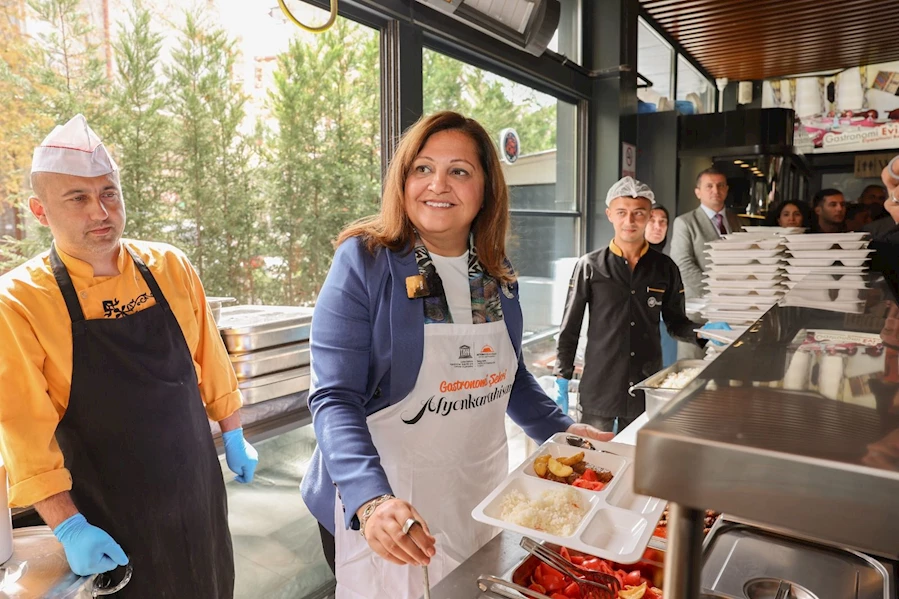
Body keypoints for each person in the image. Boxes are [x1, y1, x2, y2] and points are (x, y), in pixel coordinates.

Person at [299, 111, 612, 599]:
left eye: (459, 170)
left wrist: (564, 431)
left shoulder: (494, 270)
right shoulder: (366, 261)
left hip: (474, 487)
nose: (437, 184)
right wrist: (371, 500)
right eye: (422, 168)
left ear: (485, 187)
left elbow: (506, 373)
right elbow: (335, 397)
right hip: (386, 501)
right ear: (403, 180)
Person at [0, 115, 258, 597]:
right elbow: (23, 429)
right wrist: (68, 526)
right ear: (39, 210)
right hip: (106, 516)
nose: (100, 211)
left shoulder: (168, 265)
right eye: (77, 198)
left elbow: (210, 357)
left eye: (108, 193)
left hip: (196, 493)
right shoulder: (18, 301)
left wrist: (235, 428)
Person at [553, 177, 711, 433]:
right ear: (609, 215)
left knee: (637, 456)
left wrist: (705, 333)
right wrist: (562, 375)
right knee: (594, 459)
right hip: (599, 386)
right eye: (622, 213)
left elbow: (676, 323)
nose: (630, 221)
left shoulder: (665, 268)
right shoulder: (590, 267)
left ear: (649, 215)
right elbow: (569, 327)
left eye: (639, 213)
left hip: (646, 383)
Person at [670, 167, 742, 359]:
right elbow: (682, 265)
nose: (715, 190)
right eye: (709, 186)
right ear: (698, 192)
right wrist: (719, 292)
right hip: (699, 313)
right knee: (692, 371)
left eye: (720, 185)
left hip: (735, 309)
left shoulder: (738, 222)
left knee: (728, 370)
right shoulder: (685, 222)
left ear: (727, 189)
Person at [644, 205, 677, 367]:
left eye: (663, 222)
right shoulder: (633, 260)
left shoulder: (667, 265)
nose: (658, 226)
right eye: (652, 221)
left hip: (666, 332)